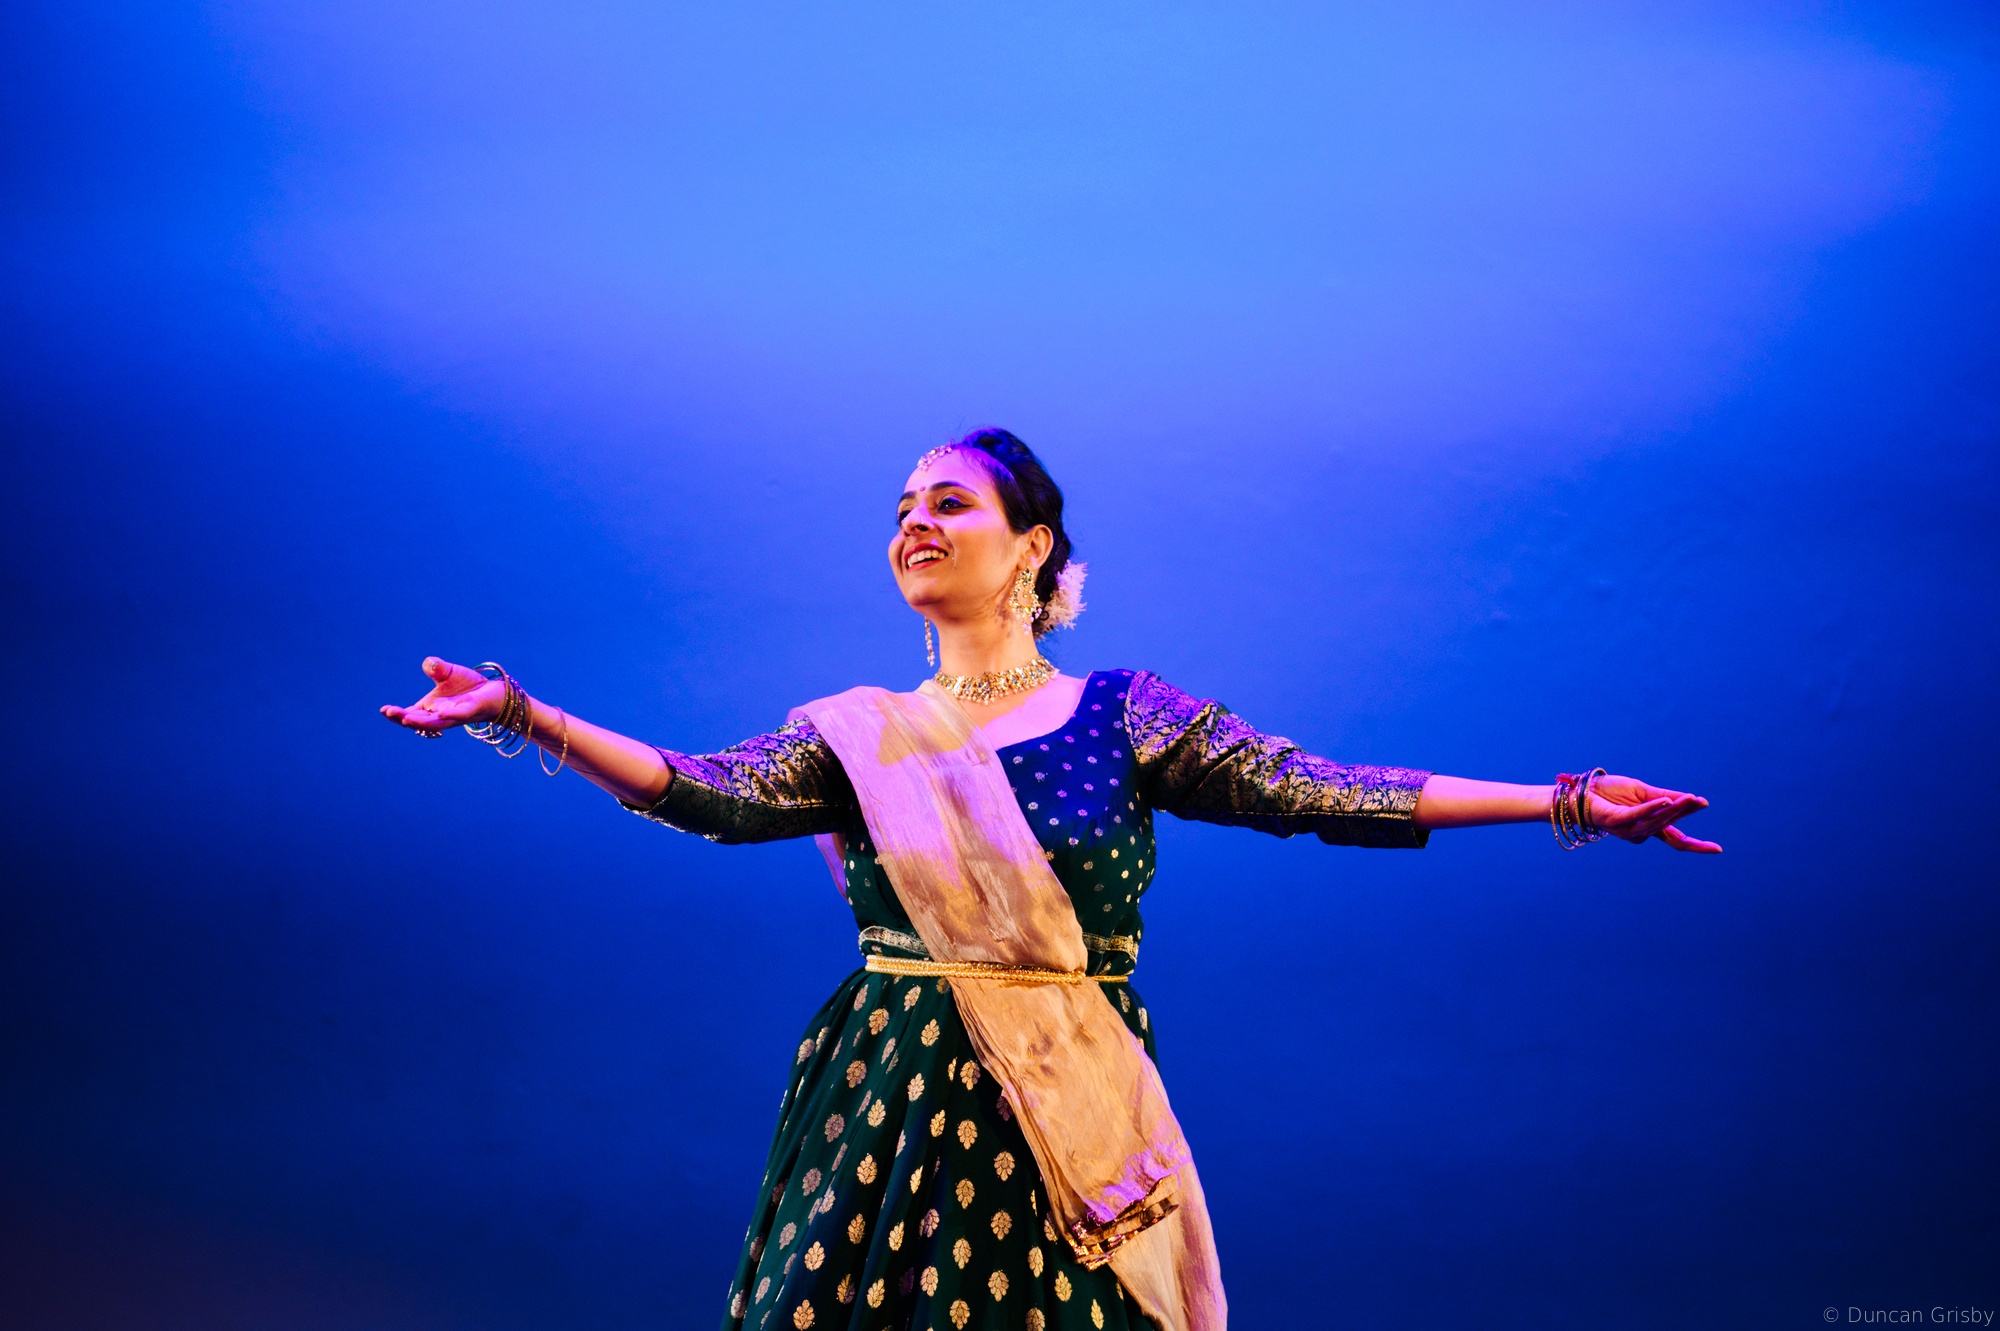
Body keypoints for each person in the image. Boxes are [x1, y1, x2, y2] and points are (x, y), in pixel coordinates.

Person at [382, 428, 1718, 1331]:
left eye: (949, 504)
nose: (916, 523)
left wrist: (1560, 799)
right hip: (893, 1099)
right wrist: (524, 712)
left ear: (1032, 549)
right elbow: (706, 793)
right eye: (902, 511)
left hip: (1078, 1101)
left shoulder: (1120, 714)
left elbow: (1315, 787)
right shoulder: (860, 734)